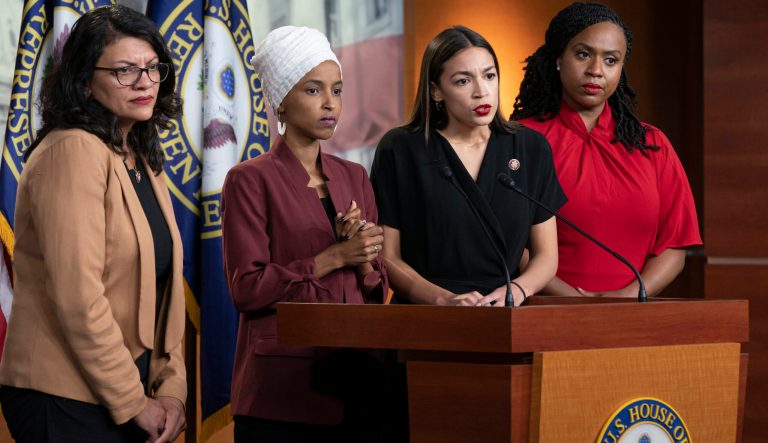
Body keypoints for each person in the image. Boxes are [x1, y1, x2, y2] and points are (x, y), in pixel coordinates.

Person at [0, 5, 186, 442]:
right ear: (84, 81)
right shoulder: (71, 151)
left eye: (152, 67)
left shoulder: (141, 158)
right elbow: (77, 298)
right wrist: (133, 400)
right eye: (124, 70)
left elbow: (166, 292)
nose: (144, 82)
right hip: (62, 396)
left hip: (124, 391)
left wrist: (172, 390)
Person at [221, 26, 388, 442]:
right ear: (280, 99)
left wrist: (364, 254)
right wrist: (334, 256)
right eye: (313, 90)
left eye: (337, 90)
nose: (330, 103)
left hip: (356, 385)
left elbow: (376, 288)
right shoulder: (249, 180)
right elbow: (247, 288)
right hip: (282, 393)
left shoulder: (355, 177)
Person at [511, 2, 702, 298]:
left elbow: (674, 246)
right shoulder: (521, 140)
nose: (596, 70)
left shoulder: (653, 144)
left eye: (611, 60)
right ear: (559, 58)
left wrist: (626, 298)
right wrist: (571, 301)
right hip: (544, 314)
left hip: (632, 319)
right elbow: (510, 241)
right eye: (583, 54)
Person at [371, 26, 565, 307]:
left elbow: (547, 256)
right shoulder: (400, 149)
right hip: (426, 318)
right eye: (463, 81)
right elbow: (388, 257)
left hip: (507, 316)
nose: (481, 91)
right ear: (436, 91)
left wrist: (518, 291)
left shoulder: (530, 148)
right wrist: (443, 299)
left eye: (489, 76)